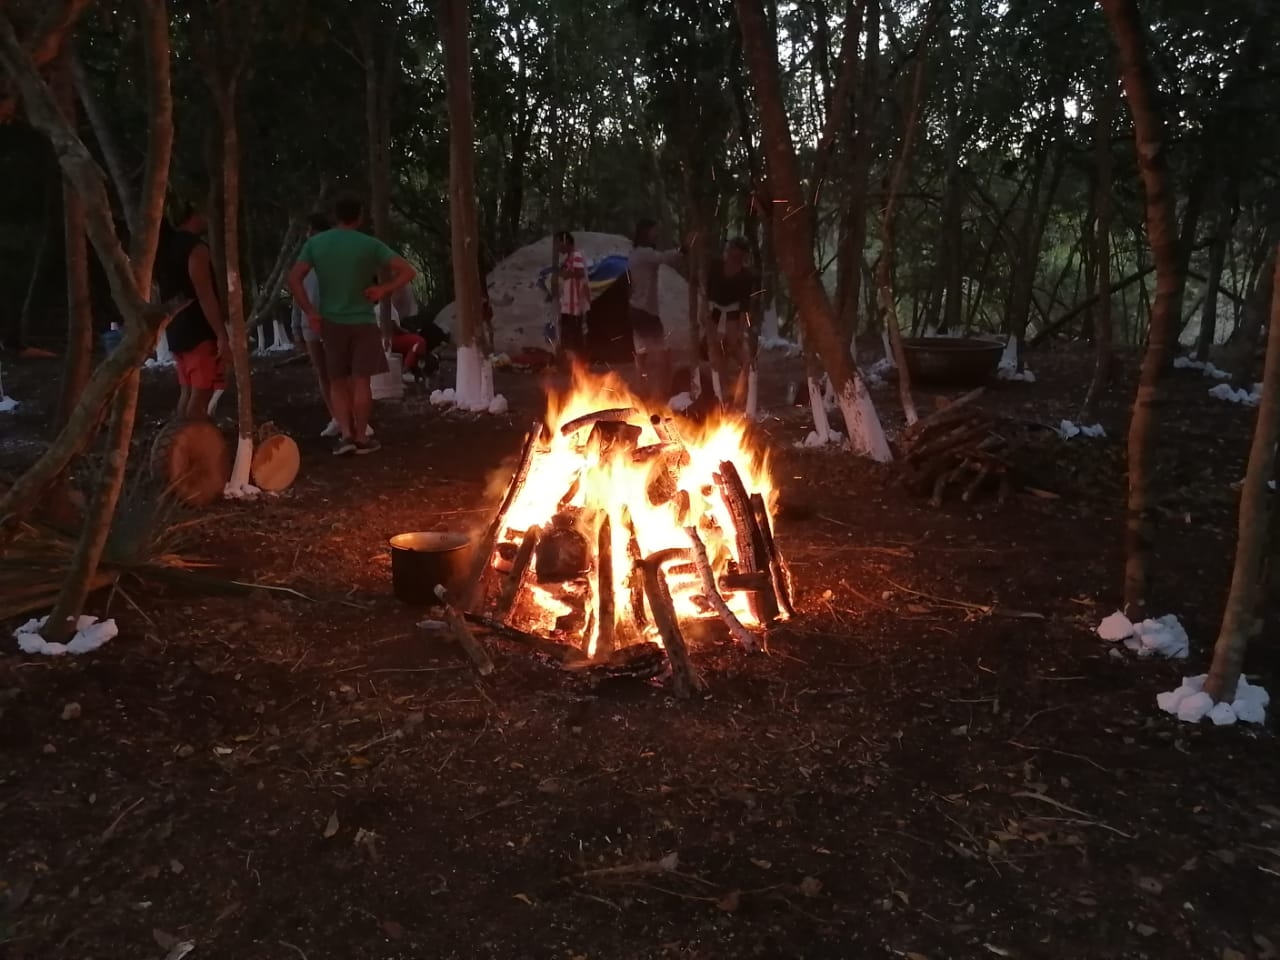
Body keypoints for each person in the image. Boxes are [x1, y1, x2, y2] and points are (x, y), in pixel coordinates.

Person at [288, 193, 416, 456]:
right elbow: (407, 270)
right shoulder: (369, 245)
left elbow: (293, 280)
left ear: (335, 217)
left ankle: (345, 435)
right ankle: (361, 437)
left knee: (336, 381)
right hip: (363, 321)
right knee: (361, 382)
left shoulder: (316, 244)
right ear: (359, 217)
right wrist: (383, 289)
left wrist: (310, 311)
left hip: (330, 323)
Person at [156, 200, 229, 421]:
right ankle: (190, 449)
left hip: (176, 330)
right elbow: (205, 294)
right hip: (198, 331)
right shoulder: (195, 249)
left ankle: (176, 446)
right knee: (201, 394)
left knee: (187, 392)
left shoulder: (164, 248)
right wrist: (221, 335)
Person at [290, 213, 346, 437]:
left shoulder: (337, 257)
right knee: (323, 373)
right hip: (309, 323)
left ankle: (351, 418)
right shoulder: (304, 260)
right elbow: (297, 292)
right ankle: (337, 417)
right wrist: (295, 326)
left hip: (335, 321)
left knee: (340, 373)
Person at [627, 219, 686, 400]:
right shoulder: (644, 254)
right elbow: (665, 258)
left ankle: (641, 392)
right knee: (662, 356)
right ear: (645, 233)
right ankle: (660, 394)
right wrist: (685, 249)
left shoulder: (635, 254)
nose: (657, 235)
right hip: (645, 313)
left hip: (637, 310)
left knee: (643, 355)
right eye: (654, 231)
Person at [703, 236, 760, 407]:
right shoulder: (716, 266)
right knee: (716, 354)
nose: (733, 253)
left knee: (743, 358)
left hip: (733, 315)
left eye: (738, 251)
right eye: (731, 249)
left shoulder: (746, 276)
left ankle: (739, 399)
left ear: (742, 254)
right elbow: (706, 292)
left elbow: (744, 306)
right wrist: (704, 313)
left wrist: (741, 331)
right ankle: (721, 398)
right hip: (713, 312)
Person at [552, 231, 590, 368]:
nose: (558, 247)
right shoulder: (568, 258)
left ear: (566, 241)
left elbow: (580, 274)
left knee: (576, 337)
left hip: (574, 306)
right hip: (567, 305)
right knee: (568, 336)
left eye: (559, 243)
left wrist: (566, 274)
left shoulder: (576, 256)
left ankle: (581, 365)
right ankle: (571, 364)